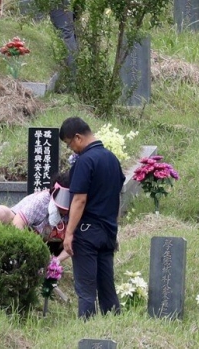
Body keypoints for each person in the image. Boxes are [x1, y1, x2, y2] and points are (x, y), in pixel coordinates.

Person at [60, 116, 125, 320]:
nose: (72, 149)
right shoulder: (111, 158)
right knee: (107, 288)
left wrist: (69, 233)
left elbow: (79, 199)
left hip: (87, 232)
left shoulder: (85, 161)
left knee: (86, 291)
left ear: (78, 137)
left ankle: (87, 331)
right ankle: (114, 325)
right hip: (108, 231)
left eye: (70, 144)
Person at [0, 171, 72, 262]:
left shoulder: (78, 210)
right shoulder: (42, 200)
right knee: (1, 212)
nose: (65, 209)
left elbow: (75, 242)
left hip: (51, 244)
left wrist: (56, 261)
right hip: (24, 236)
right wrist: (31, 250)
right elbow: (18, 221)